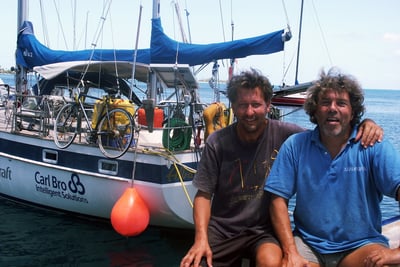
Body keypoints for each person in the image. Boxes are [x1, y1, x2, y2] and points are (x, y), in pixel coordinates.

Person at [180, 68, 383, 267]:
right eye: (242, 105)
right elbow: (203, 195)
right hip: (224, 229)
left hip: (264, 230)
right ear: (232, 106)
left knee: (270, 262)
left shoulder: (289, 136)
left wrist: (364, 123)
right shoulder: (218, 142)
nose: (249, 112)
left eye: (256, 105)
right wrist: (200, 239)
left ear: (268, 105)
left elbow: (328, 132)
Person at [264, 68, 400, 267]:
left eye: (342, 103)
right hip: (309, 244)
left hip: (360, 246)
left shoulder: (373, 145)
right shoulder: (296, 146)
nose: (333, 108)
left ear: (353, 111)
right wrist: (291, 251)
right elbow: (277, 199)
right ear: (314, 110)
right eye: (325, 103)